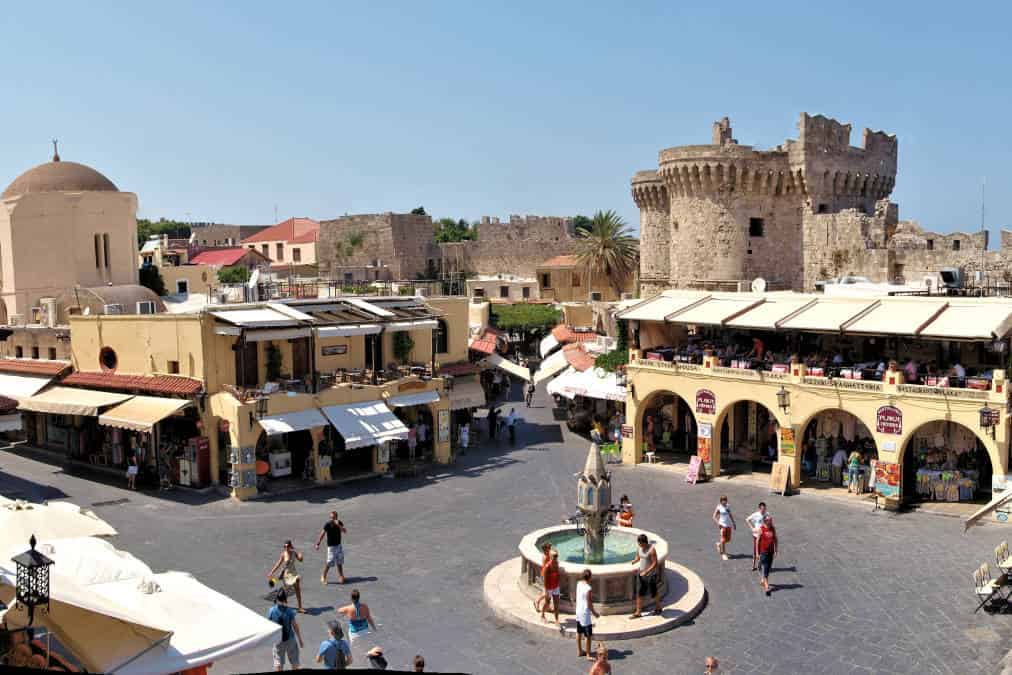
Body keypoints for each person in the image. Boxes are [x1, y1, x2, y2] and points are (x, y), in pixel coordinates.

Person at [268, 590, 303, 671]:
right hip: (290, 639)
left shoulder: (272, 611)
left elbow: (269, 625)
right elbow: (295, 626)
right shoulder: (289, 611)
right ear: (285, 599)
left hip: (278, 641)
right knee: (294, 661)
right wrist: (300, 640)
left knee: (278, 663)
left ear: (277, 599)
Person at [337, 589, 378, 654]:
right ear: (359, 597)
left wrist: (347, 609)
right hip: (365, 630)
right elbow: (369, 618)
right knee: (365, 647)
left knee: (355, 650)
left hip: (354, 633)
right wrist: (374, 627)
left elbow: (339, 610)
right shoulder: (365, 606)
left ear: (351, 598)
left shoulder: (348, 608)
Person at [269, 541, 305, 612]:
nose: (286, 548)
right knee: (286, 591)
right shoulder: (283, 554)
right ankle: (278, 600)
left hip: (294, 573)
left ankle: (300, 607)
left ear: (290, 546)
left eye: (287, 546)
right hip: (286, 575)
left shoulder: (294, 553)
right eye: (284, 546)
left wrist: (301, 556)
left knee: (297, 589)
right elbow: (278, 564)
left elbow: (300, 560)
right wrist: (271, 572)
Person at [630, 533, 660, 618]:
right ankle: (638, 612)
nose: (639, 545)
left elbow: (655, 564)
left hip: (651, 575)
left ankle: (658, 607)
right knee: (639, 593)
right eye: (638, 543)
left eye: (640, 543)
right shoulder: (639, 548)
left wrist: (646, 572)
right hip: (641, 574)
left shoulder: (652, 550)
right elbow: (638, 557)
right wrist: (634, 561)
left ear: (645, 542)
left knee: (653, 593)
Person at [315, 511, 348, 585]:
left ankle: (341, 576)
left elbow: (344, 531)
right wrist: (318, 543)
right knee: (329, 562)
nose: (331, 519)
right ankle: (323, 576)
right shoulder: (327, 524)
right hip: (331, 547)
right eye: (331, 518)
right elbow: (322, 534)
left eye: (333, 518)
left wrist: (338, 525)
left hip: (338, 545)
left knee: (339, 562)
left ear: (336, 517)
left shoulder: (339, 523)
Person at [575, 569, 600, 661]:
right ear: (589, 577)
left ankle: (579, 651)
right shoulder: (588, 588)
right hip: (585, 613)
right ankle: (588, 654)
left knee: (579, 631)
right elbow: (589, 603)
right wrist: (595, 613)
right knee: (588, 635)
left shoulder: (578, 584)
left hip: (578, 610)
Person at [757, 514, 778, 596]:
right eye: (769, 520)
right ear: (765, 521)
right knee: (765, 568)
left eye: (771, 520)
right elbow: (757, 541)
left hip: (771, 552)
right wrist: (757, 553)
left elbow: (775, 539)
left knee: (769, 568)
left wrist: (776, 550)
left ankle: (763, 580)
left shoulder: (773, 528)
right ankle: (767, 587)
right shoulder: (761, 529)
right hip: (763, 552)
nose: (771, 521)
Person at [746, 502, 769, 571]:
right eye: (762, 509)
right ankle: (753, 565)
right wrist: (752, 528)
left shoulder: (767, 514)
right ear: (759, 509)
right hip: (756, 535)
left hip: (764, 536)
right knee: (755, 551)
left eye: (764, 509)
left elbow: (769, 523)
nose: (763, 510)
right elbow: (747, 520)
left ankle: (759, 565)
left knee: (762, 551)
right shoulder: (756, 514)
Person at [711, 495, 735, 560]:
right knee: (723, 539)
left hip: (728, 525)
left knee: (728, 539)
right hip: (722, 525)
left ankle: (719, 544)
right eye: (723, 500)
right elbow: (714, 516)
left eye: (725, 500)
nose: (724, 501)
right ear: (721, 501)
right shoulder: (719, 507)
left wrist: (733, 523)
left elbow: (730, 514)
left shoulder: (728, 506)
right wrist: (718, 523)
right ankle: (724, 554)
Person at [541, 549, 561, 623]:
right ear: (550, 556)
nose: (556, 557)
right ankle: (542, 615)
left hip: (555, 586)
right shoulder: (547, 567)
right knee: (547, 603)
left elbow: (558, 574)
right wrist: (546, 591)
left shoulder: (557, 564)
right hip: (549, 587)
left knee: (556, 604)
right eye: (554, 556)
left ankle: (556, 619)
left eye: (556, 556)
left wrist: (558, 584)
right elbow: (545, 579)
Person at [533, 542, 552, 614]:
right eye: (549, 548)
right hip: (546, 576)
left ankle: (548, 606)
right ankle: (537, 601)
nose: (550, 549)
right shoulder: (546, 557)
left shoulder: (547, 555)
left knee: (547, 592)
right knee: (547, 593)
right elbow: (547, 567)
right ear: (546, 550)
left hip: (546, 576)